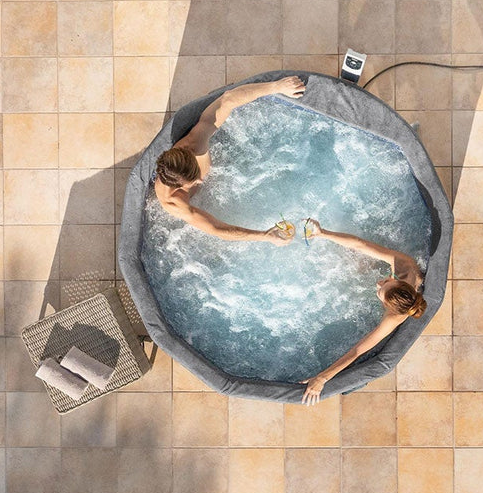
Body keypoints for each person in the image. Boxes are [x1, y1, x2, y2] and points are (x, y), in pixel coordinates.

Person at [153, 75, 307, 244]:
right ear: (178, 186)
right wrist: (265, 236)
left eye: (196, 175)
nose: (200, 180)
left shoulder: (193, 143)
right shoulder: (173, 201)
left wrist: (276, 87)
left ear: (189, 155)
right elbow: (217, 229)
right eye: (194, 181)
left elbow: (228, 99)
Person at [300, 219, 426, 405]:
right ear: (399, 281)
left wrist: (322, 378)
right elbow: (360, 245)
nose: (378, 283)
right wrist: (323, 233)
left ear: (387, 306)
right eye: (387, 281)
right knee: (354, 260)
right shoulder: (405, 266)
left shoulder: (393, 318)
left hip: (391, 319)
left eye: (380, 292)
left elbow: (358, 350)